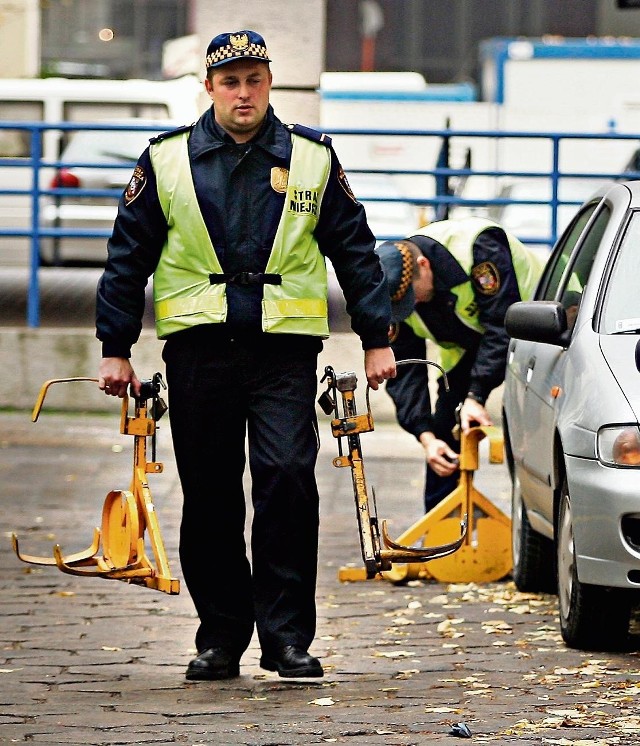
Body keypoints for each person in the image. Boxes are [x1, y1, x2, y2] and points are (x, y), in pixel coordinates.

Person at [95, 30, 396, 681]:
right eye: (230, 82)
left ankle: (286, 637)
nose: (243, 93)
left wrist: (378, 337)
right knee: (209, 496)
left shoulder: (312, 158)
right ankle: (221, 636)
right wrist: (114, 347)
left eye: (254, 80)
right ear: (210, 88)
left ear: (269, 85)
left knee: (288, 478)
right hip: (200, 352)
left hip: (282, 353)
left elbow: (356, 248)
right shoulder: (167, 160)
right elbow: (126, 258)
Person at [376, 216, 543, 512]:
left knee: (533, 432)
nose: (412, 307)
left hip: (541, 327)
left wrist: (476, 396)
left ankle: (534, 522)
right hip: (473, 344)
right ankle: (444, 532)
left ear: (424, 265)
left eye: (413, 297)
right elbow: (404, 368)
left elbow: (502, 325)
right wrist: (426, 438)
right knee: (446, 430)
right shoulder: (397, 292)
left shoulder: (478, 248)